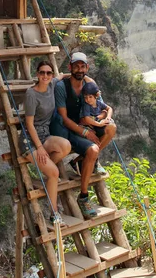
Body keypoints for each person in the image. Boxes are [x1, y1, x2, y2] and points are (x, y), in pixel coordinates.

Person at [50, 52, 117, 218]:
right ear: (70, 67)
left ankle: (80, 160)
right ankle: (84, 196)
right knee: (93, 151)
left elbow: (101, 107)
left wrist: (101, 119)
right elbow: (64, 118)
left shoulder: (89, 84)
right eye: (76, 66)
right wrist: (85, 132)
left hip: (87, 124)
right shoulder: (62, 87)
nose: (79, 69)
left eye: (82, 66)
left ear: (87, 68)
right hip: (70, 129)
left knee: (111, 128)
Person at [20, 60, 71, 226]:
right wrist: (40, 148)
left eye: (48, 73)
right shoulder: (31, 94)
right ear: (37, 74)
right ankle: (54, 213)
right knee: (55, 173)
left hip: (45, 135)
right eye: (42, 72)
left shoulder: (52, 85)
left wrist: (86, 79)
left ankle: (47, 171)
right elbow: (29, 124)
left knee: (66, 146)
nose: (46, 76)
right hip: (30, 141)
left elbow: (61, 76)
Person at [79, 82, 114, 150]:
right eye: (85, 97)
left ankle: (97, 149)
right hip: (88, 125)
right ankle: (93, 150)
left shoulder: (99, 103)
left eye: (90, 97)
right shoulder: (87, 105)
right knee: (94, 135)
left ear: (96, 95)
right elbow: (86, 119)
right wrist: (99, 124)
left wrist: (108, 117)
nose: (88, 100)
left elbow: (109, 108)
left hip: (96, 124)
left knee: (110, 126)